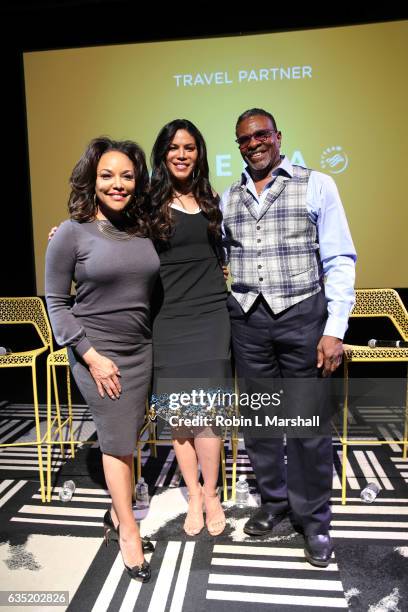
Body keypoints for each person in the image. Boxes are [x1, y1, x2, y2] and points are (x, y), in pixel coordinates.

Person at [221, 108, 356, 567]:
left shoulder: (316, 183)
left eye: (261, 134)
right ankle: (274, 503)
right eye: (244, 139)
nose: (254, 143)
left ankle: (314, 519)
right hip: (248, 322)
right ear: (238, 146)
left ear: (278, 136)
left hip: (303, 319)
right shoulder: (227, 197)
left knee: (307, 428)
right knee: (260, 424)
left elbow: (339, 257)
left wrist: (334, 329)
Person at [45, 137, 160, 582]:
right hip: (97, 351)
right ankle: (128, 530)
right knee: (117, 441)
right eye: (107, 175)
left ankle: (117, 515)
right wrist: (92, 357)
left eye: (127, 176)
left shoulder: (142, 228)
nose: (118, 184)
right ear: (92, 181)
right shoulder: (70, 233)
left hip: (140, 348)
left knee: (128, 435)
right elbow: (56, 303)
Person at [150, 119, 230, 537]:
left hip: (211, 316)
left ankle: (212, 492)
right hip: (169, 320)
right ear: (163, 153)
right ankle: (192, 492)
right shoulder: (146, 203)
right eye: (174, 147)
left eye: (190, 147)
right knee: (180, 415)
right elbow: (107, 228)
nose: (182, 154)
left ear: (199, 153)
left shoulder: (212, 198)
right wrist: (66, 230)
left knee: (209, 414)